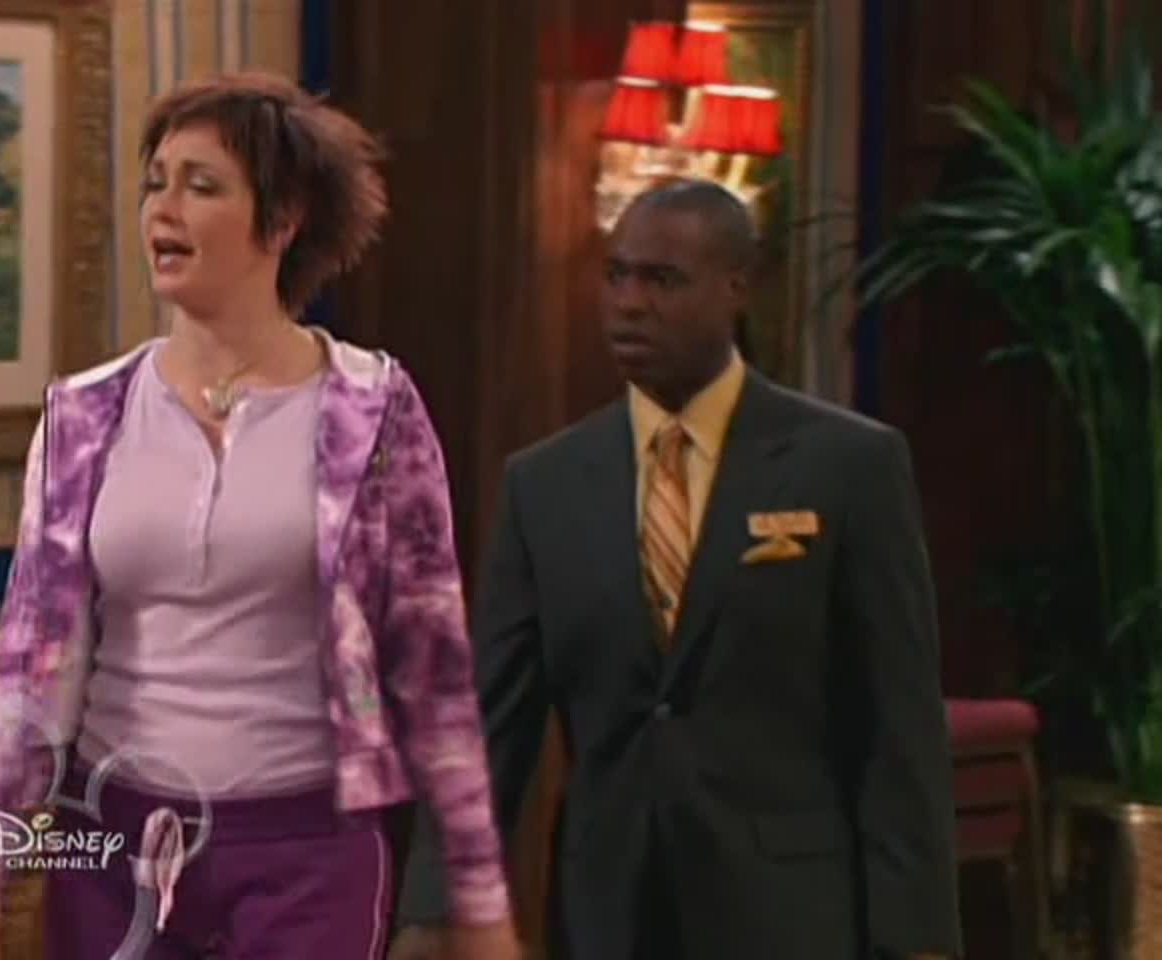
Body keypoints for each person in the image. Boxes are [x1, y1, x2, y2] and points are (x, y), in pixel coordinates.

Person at [0, 71, 519, 960]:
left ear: (282, 224)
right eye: (155, 183)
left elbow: (434, 676)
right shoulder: (84, 416)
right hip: (110, 851)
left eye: (201, 185)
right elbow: (27, 673)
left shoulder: (374, 411)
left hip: (308, 853)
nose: (163, 209)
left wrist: (479, 904)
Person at [392, 180, 961, 959]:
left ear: (736, 288)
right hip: (606, 912)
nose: (629, 303)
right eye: (617, 275)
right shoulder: (544, 486)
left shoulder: (848, 466)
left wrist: (919, 939)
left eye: (662, 280)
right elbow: (490, 724)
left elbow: (900, 725)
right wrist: (435, 909)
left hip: (790, 915)